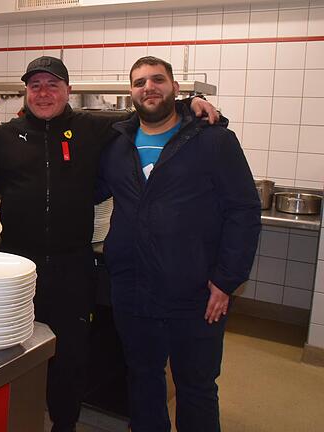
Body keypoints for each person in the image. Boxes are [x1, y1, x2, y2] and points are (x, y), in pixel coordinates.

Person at [0, 56, 218, 432]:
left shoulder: (95, 128)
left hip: (73, 265)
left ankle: (64, 424)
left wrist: (188, 104)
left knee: (71, 356)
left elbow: (151, 111)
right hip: (17, 265)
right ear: (25, 93)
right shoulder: (4, 137)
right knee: (15, 350)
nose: (44, 93)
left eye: (53, 85)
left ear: (69, 92)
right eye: (35, 86)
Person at [96, 56, 261, 431]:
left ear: (175, 88)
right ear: (130, 92)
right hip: (132, 287)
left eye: (157, 80)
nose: (148, 88)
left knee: (197, 387)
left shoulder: (214, 141)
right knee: (143, 379)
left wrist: (226, 280)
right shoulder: (116, 145)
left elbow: (244, 211)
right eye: (139, 82)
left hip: (196, 292)